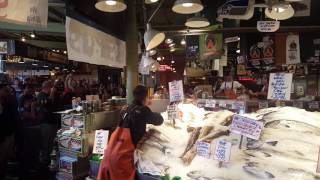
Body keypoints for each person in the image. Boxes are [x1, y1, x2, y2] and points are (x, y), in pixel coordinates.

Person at [98, 85, 164, 180]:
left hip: (109, 153)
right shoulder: (142, 110)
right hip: (121, 159)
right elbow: (159, 120)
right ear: (145, 97)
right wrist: (147, 108)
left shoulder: (125, 108)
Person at [0, 73, 18, 178]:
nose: (7, 90)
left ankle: (4, 175)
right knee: (2, 158)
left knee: (5, 157)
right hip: (3, 134)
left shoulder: (7, 100)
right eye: (5, 88)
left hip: (9, 131)